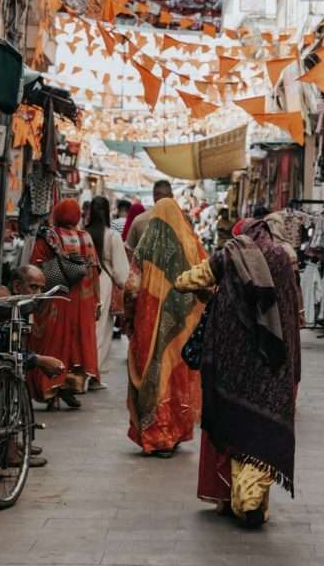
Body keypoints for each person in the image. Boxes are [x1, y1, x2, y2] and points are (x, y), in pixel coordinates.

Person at [174, 214, 301, 528]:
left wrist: (212, 291)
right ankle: (253, 500)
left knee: (235, 426)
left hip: (232, 359)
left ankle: (246, 500)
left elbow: (186, 281)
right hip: (274, 358)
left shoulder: (230, 254)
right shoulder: (284, 258)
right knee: (265, 425)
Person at [123, 196, 206, 457]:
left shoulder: (145, 248)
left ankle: (156, 434)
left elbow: (131, 288)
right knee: (175, 375)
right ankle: (173, 432)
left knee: (152, 374)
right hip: (181, 327)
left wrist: (128, 316)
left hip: (148, 324)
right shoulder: (191, 245)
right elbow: (207, 279)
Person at [0, 266, 63, 468]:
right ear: (18, 285)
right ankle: (7, 450)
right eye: (33, 287)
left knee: (18, 374)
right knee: (12, 372)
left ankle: (11, 444)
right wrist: (38, 360)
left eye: (40, 289)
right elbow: (1, 349)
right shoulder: (3, 301)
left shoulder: (20, 303)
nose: (37, 294)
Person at [29, 198, 100, 409]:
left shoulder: (50, 236)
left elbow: (36, 266)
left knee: (53, 342)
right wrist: (96, 301)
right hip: (81, 303)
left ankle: (50, 388)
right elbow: (94, 273)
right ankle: (70, 386)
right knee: (76, 345)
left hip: (56, 299)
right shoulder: (86, 238)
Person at [87, 195, 129, 382]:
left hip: (84, 282)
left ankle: (84, 369)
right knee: (101, 329)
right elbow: (121, 272)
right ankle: (94, 371)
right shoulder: (112, 236)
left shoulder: (83, 233)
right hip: (104, 283)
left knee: (86, 327)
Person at [125, 180, 174, 253]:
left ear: (154, 197)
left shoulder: (139, 220)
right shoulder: (184, 221)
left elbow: (129, 251)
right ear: (172, 196)